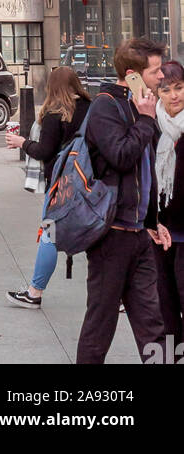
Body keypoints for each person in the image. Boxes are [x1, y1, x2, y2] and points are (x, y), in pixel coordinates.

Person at [76, 36, 168, 365]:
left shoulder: (140, 106)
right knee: (101, 326)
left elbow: (146, 171)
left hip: (139, 235)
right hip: (110, 236)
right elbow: (122, 156)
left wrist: (152, 221)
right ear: (132, 74)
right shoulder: (105, 106)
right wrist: (145, 120)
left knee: (153, 324)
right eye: (156, 71)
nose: (162, 77)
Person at [5, 66, 91, 308]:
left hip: (61, 188)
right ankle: (117, 296)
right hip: (89, 185)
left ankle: (34, 292)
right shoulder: (91, 109)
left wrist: (23, 142)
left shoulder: (55, 115)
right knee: (97, 235)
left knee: (49, 234)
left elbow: (45, 151)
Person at [154, 60, 184, 347]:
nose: (174, 96)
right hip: (161, 232)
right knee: (165, 309)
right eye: (167, 89)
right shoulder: (153, 125)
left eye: (179, 88)